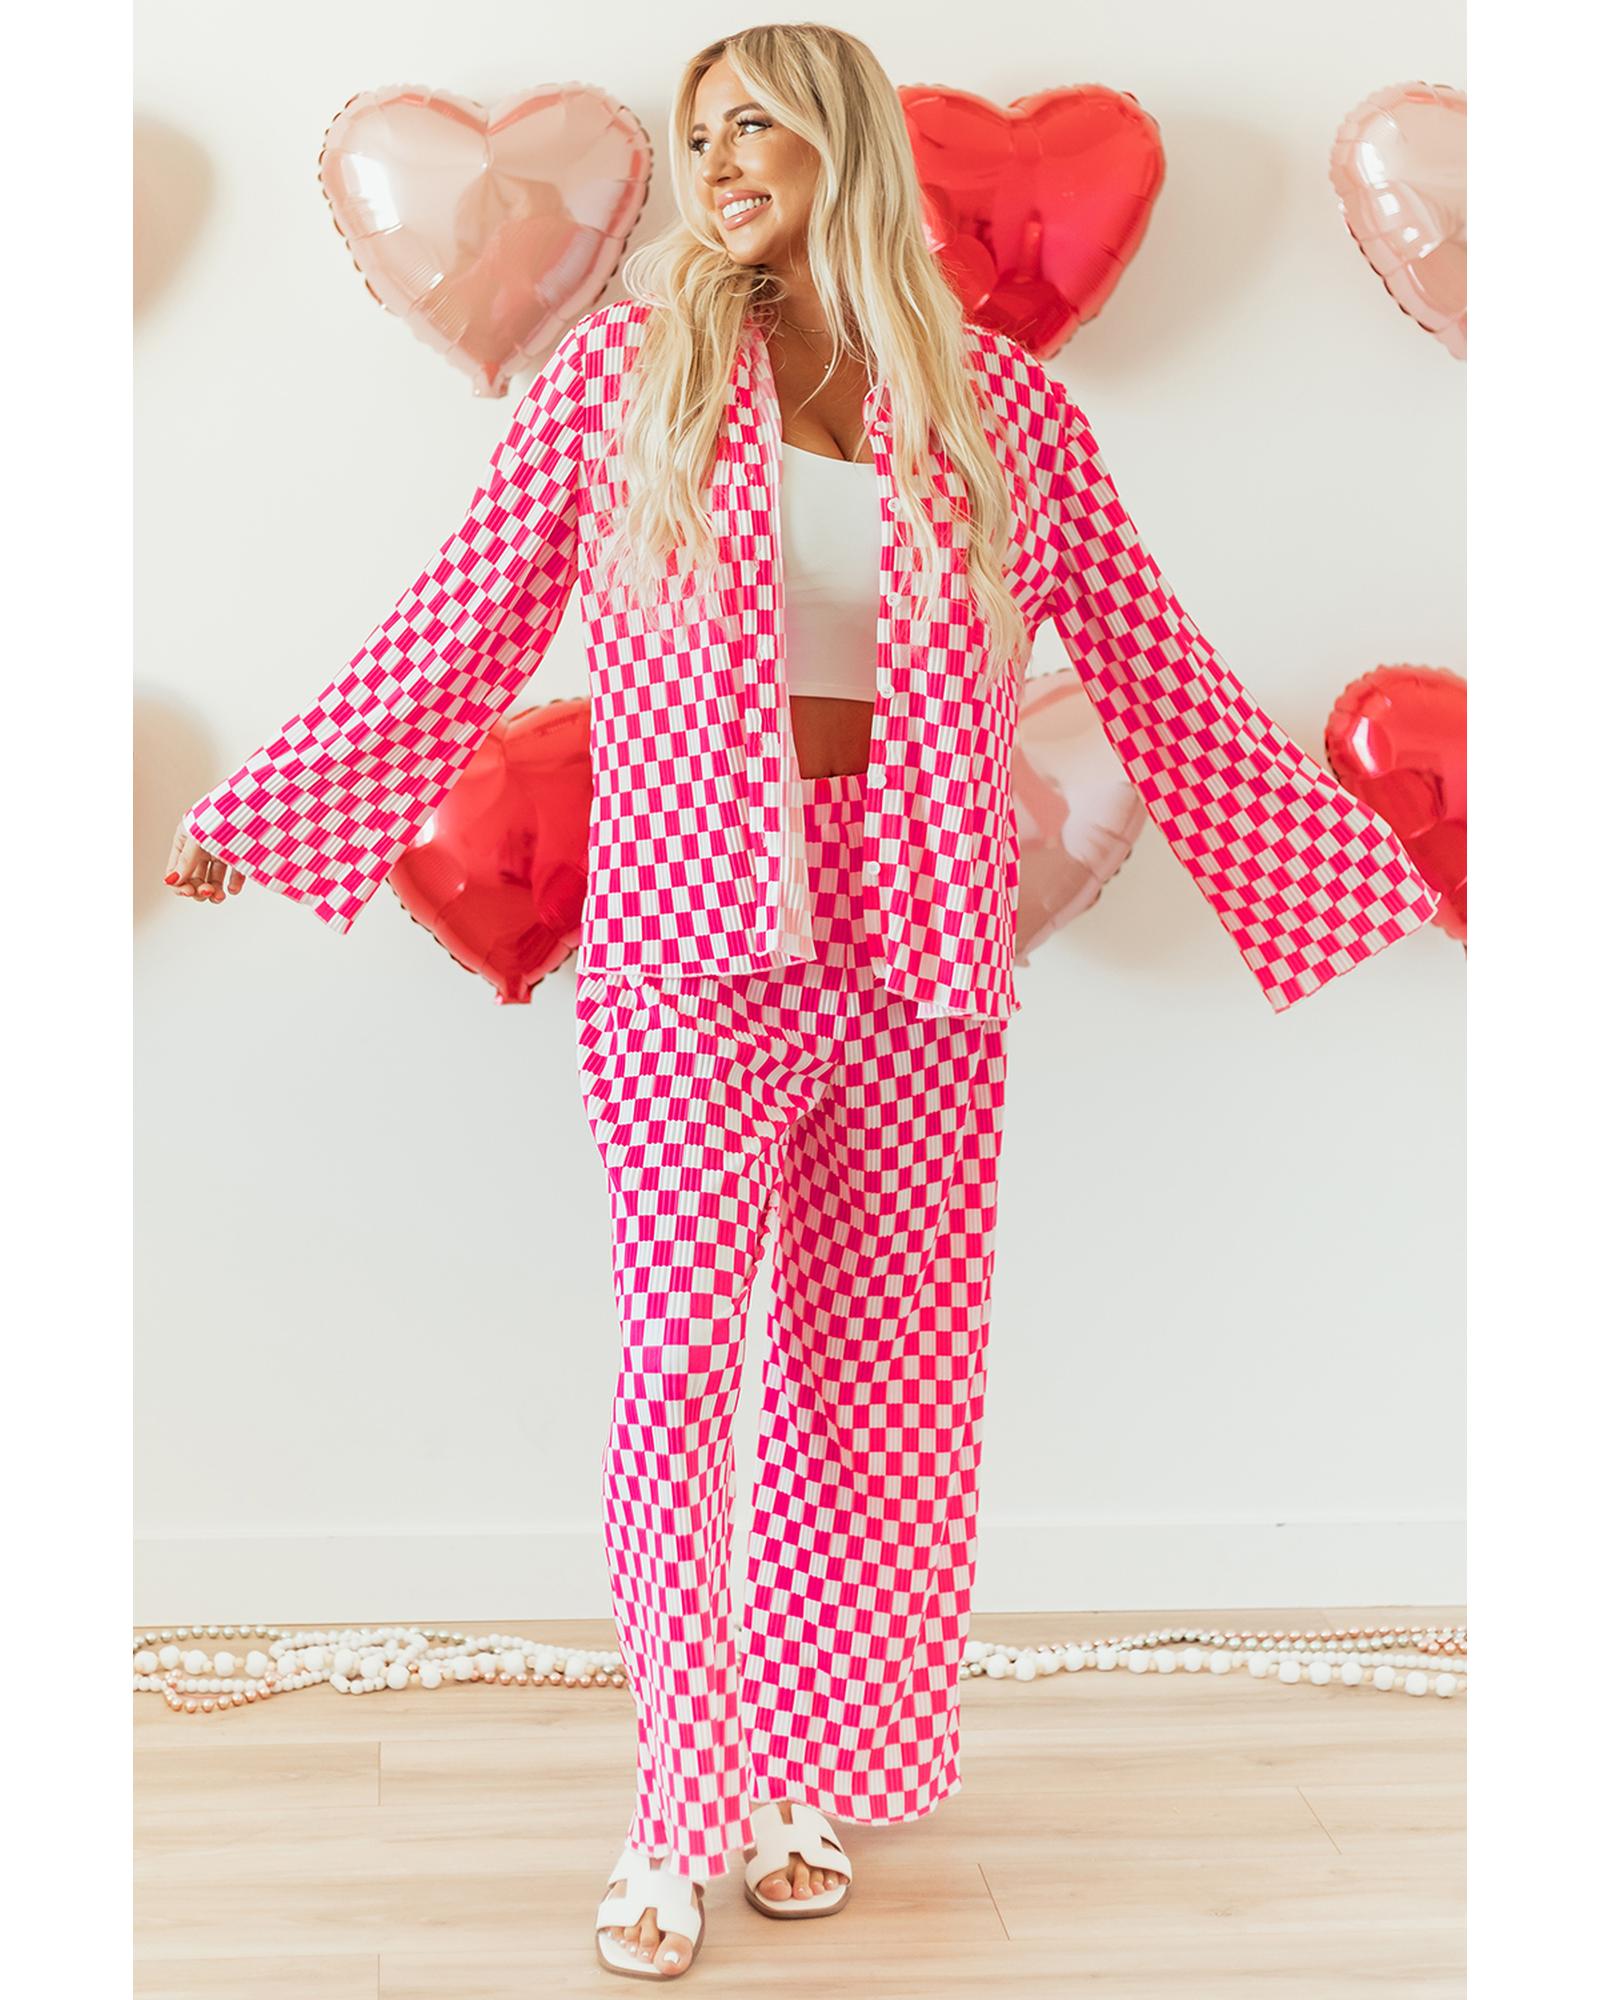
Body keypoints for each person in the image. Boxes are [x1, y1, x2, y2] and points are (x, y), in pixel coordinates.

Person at [164, 24, 1441, 1982]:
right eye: (698, 134)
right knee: (681, 1375)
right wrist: (269, 814)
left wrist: (1348, 873)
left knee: (882, 1385)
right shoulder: (627, 380)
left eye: (754, 122)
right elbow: (462, 619)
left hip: (918, 938)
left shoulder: (1001, 412)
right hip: (692, 940)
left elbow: (1154, 661)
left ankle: (795, 1777)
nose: (719, 161)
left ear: (841, 142)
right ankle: (671, 1806)